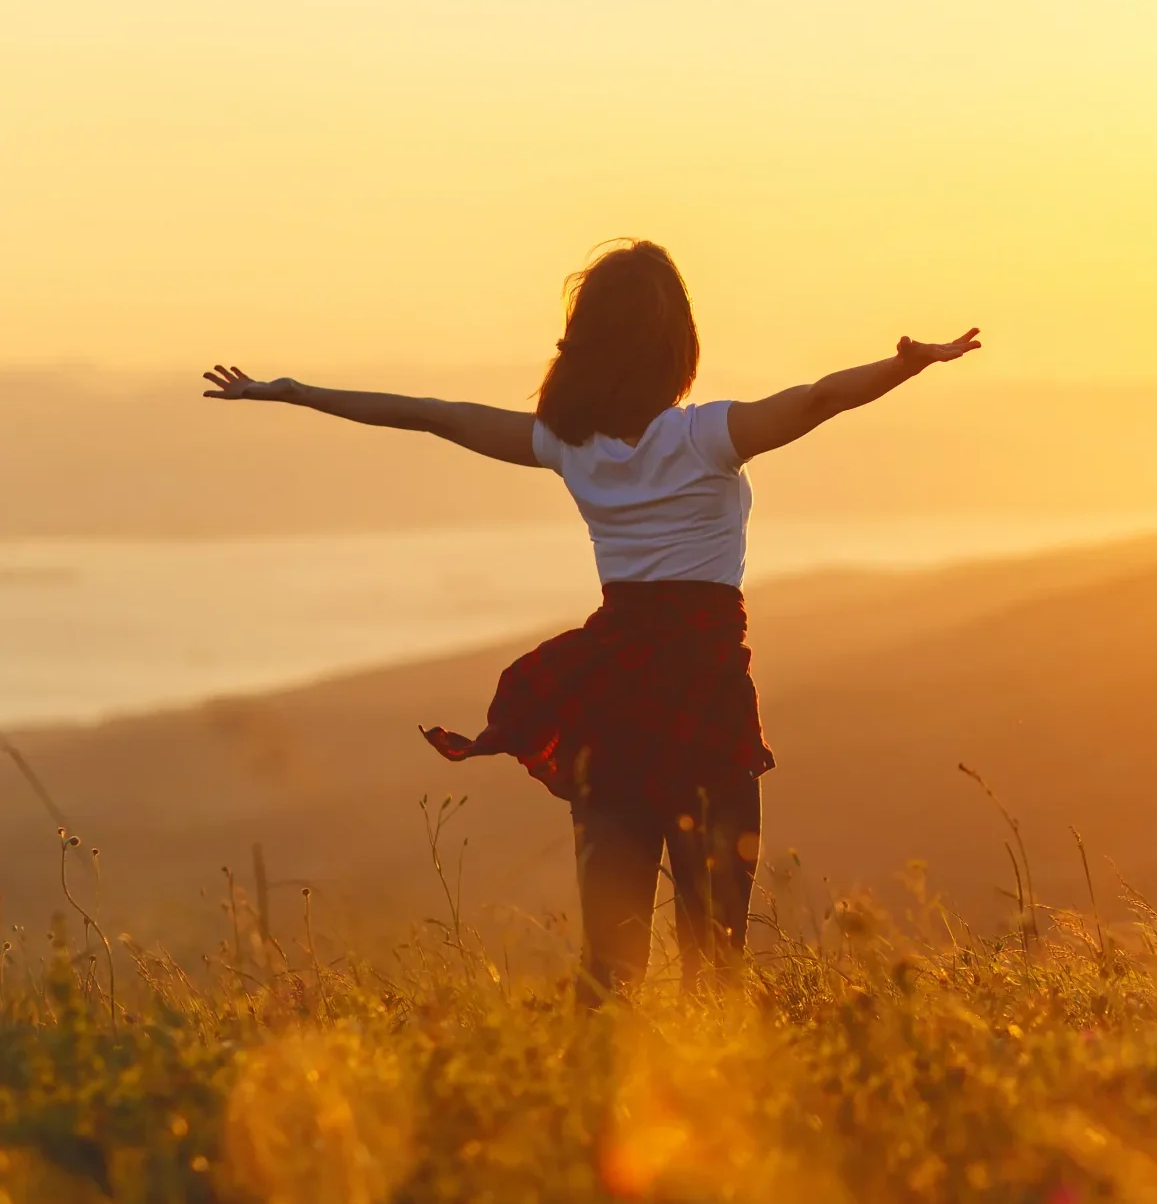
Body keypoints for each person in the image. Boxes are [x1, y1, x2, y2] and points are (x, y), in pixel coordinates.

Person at [200, 239, 980, 1002]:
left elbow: (430, 414)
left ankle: (591, 1104)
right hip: (704, 700)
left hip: (612, 700)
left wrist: (294, 391)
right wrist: (905, 368)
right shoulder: (706, 437)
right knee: (718, 962)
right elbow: (817, 399)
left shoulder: (566, 445)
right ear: (678, 344)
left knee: (610, 965)